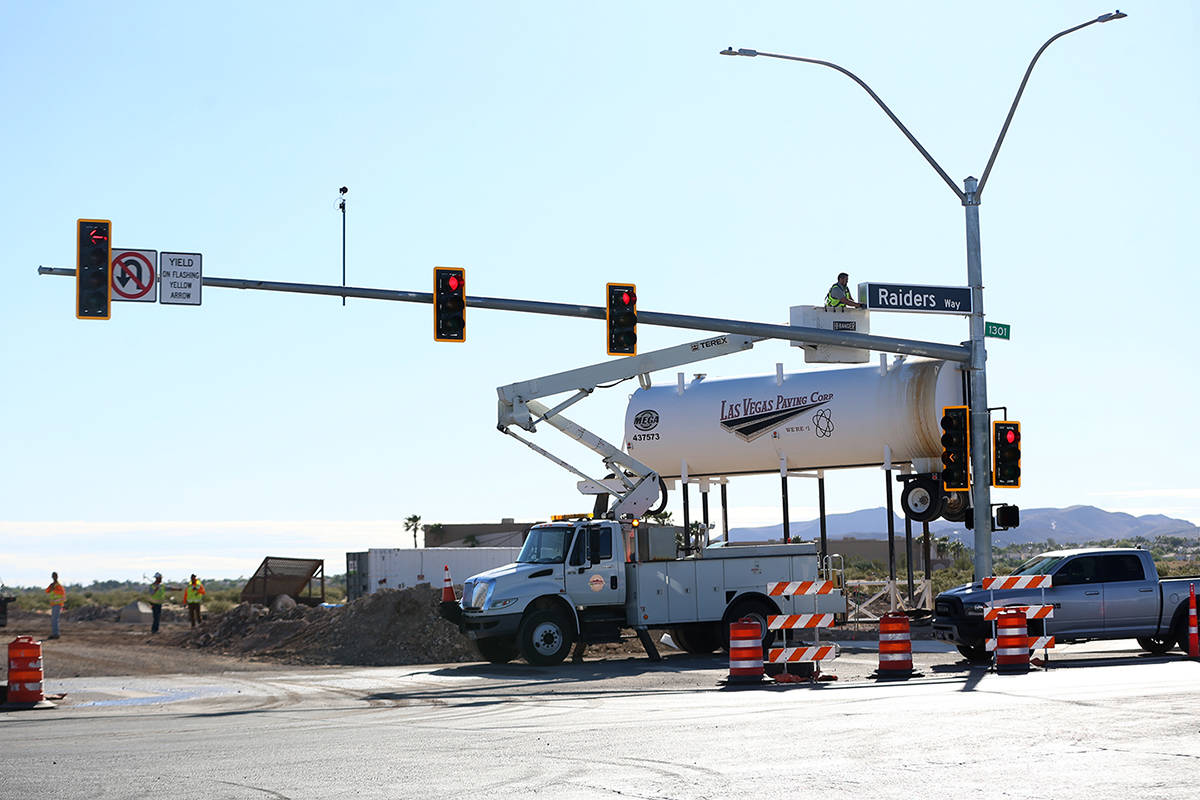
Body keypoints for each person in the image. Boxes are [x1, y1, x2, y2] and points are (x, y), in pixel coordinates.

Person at [45, 571, 65, 639]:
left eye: (55, 576)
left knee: (55, 619)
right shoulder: (52, 585)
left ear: (57, 576)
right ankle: (55, 633)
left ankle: (56, 634)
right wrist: (51, 587)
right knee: (54, 619)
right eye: (53, 576)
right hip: (54, 604)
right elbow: (47, 591)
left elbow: (62, 593)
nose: (54, 577)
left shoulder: (58, 585)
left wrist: (54, 589)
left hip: (58, 604)